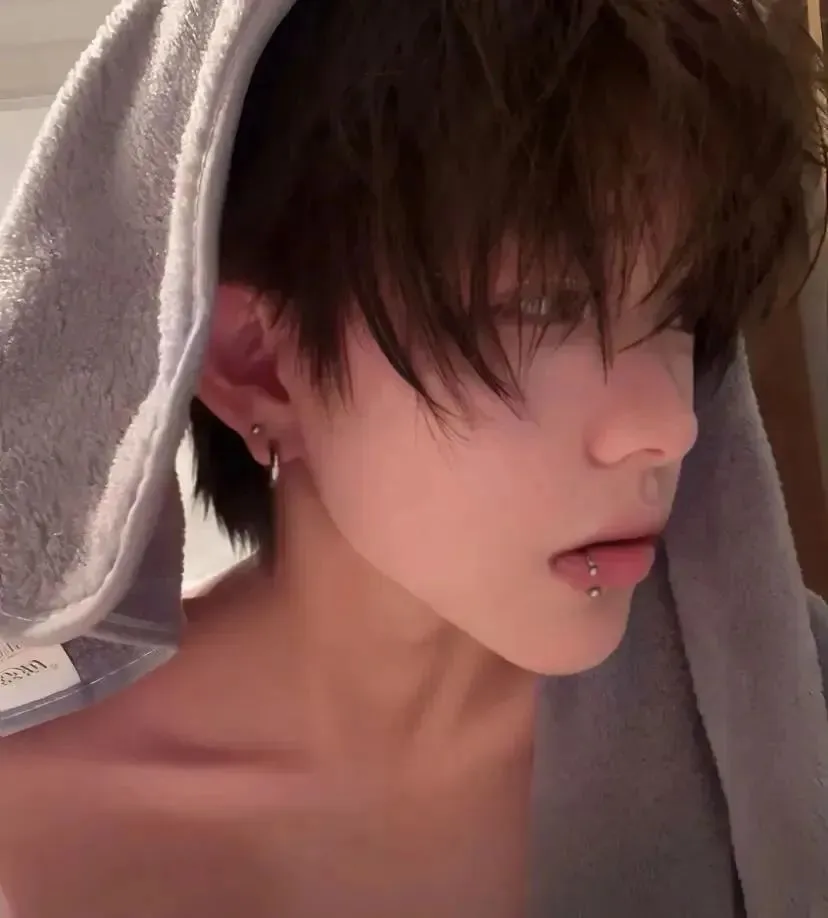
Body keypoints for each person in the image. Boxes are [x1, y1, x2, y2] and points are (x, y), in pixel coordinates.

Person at [0, 1, 825, 916]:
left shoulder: (780, 709)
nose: (669, 424)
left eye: (679, 312)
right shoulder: (26, 834)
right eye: (544, 308)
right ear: (258, 365)